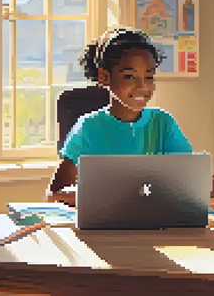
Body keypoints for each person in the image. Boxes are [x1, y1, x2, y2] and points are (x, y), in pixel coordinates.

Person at [47, 28, 193, 205]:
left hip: (157, 226)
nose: (142, 87)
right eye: (130, 77)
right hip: (103, 228)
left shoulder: (163, 123)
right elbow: (55, 194)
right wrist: (102, 198)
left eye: (149, 76)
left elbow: (190, 181)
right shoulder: (88, 127)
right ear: (104, 77)